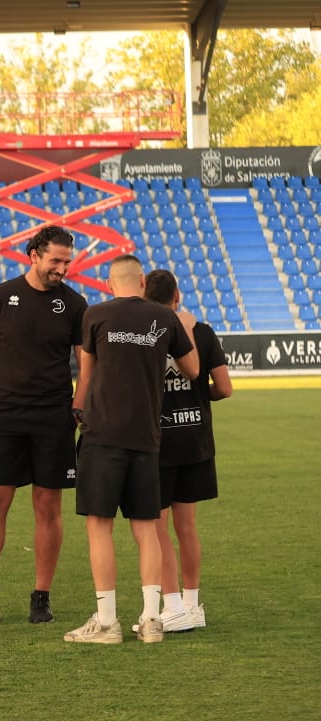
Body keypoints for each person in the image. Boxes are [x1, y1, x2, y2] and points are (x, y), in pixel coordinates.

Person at [0, 225, 87, 628]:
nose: (61, 268)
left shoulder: (75, 303)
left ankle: (41, 596)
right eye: (55, 260)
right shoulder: (1, 296)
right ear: (34, 255)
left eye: (66, 261)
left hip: (54, 417)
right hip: (5, 415)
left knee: (47, 506)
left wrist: (77, 405)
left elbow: (86, 359)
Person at [65, 255, 197, 646]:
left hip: (103, 433)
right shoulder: (165, 318)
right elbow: (191, 369)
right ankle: (152, 619)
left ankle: (107, 623)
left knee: (99, 525)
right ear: (142, 281)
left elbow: (86, 375)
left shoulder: (95, 315)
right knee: (146, 529)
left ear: (109, 284)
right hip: (146, 436)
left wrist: (77, 410)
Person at [142, 269, 232, 634]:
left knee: (157, 528)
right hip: (195, 439)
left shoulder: (145, 334)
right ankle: (194, 607)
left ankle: (173, 606)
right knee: (187, 528)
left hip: (157, 441)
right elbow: (224, 388)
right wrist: (198, 397)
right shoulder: (203, 331)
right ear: (177, 296)